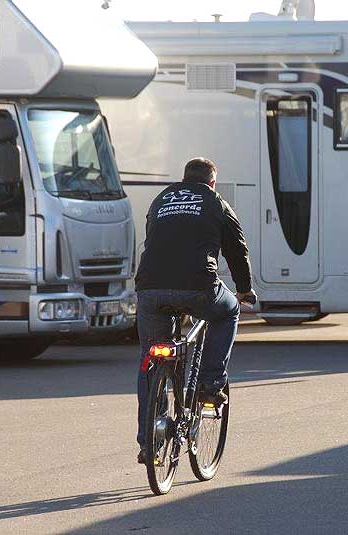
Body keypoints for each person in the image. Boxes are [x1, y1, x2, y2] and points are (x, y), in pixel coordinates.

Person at [134, 157, 256, 464]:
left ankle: (149, 442)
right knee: (228, 311)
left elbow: (153, 239)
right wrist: (244, 289)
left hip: (150, 288)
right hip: (198, 287)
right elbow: (237, 249)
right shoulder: (216, 202)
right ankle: (210, 384)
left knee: (150, 360)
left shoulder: (162, 199)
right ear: (212, 182)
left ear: (184, 178)